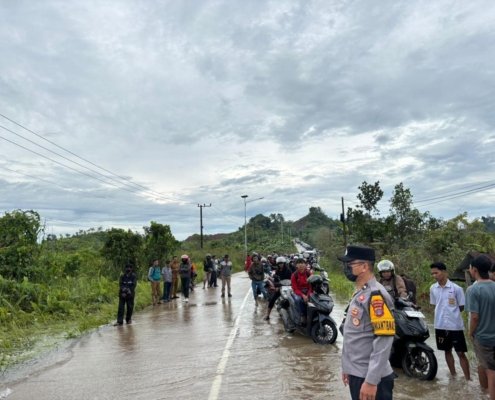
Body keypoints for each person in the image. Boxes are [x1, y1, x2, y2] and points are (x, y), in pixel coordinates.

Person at [339, 245, 395, 400]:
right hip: (358, 372)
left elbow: (384, 339)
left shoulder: (375, 295)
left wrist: (371, 380)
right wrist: (348, 368)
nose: (346, 268)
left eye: (350, 264)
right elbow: (354, 336)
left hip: (370, 377)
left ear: (364, 266)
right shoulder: (361, 292)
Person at [429, 261, 470, 380]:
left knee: (461, 353)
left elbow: (461, 306)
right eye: (432, 274)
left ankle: (468, 379)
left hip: (455, 326)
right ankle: (453, 376)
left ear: (444, 272)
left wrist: (452, 314)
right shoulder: (433, 288)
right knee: (447, 351)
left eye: (436, 273)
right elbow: (434, 304)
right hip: (440, 325)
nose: (434, 276)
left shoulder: (456, 289)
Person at [466, 254, 495, 398]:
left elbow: (475, 317)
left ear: (475, 270)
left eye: (470, 268)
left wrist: (470, 332)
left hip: (483, 337)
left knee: (490, 371)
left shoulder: (473, 290)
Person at [265, 256, 292, 320]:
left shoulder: (288, 271)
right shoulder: (277, 271)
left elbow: (291, 279)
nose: (280, 265)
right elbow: (275, 281)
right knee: (272, 299)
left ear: (284, 263)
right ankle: (267, 315)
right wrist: (277, 287)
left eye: (282, 263)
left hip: (289, 287)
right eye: (279, 263)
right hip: (280, 287)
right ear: (277, 264)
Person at [291, 258, 313, 326]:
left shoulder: (308, 273)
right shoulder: (294, 275)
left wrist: (308, 295)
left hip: (308, 291)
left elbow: (311, 286)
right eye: (299, 263)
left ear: (305, 265)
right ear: (296, 265)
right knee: (298, 300)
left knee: (315, 298)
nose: (301, 265)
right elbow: (295, 289)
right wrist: (303, 295)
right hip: (298, 292)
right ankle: (302, 315)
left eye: (302, 263)